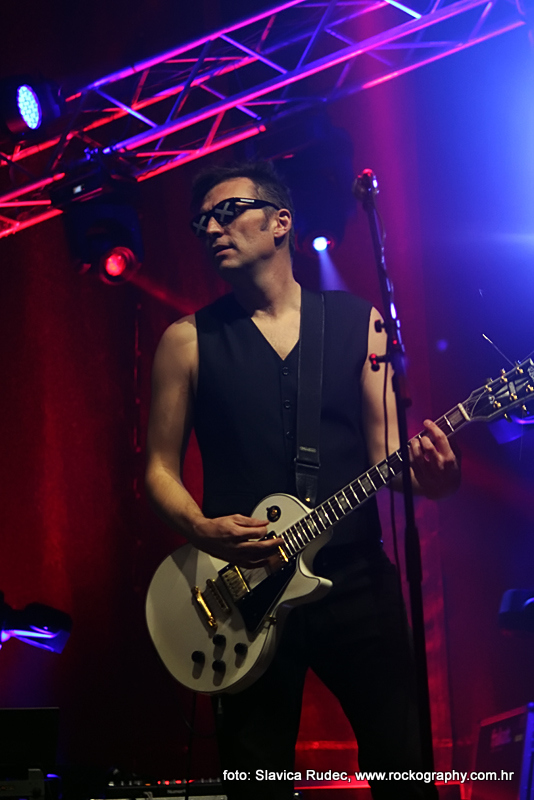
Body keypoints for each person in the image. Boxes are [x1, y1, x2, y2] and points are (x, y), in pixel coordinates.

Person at [145, 161, 460, 800]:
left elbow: (387, 453)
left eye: (228, 212)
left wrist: (435, 479)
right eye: (202, 222)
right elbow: (158, 469)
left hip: (354, 578)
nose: (212, 229)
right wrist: (202, 528)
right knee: (257, 781)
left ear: (281, 222)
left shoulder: (359, 322)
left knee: (402, 765)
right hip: (242, 590)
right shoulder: (186, 342)